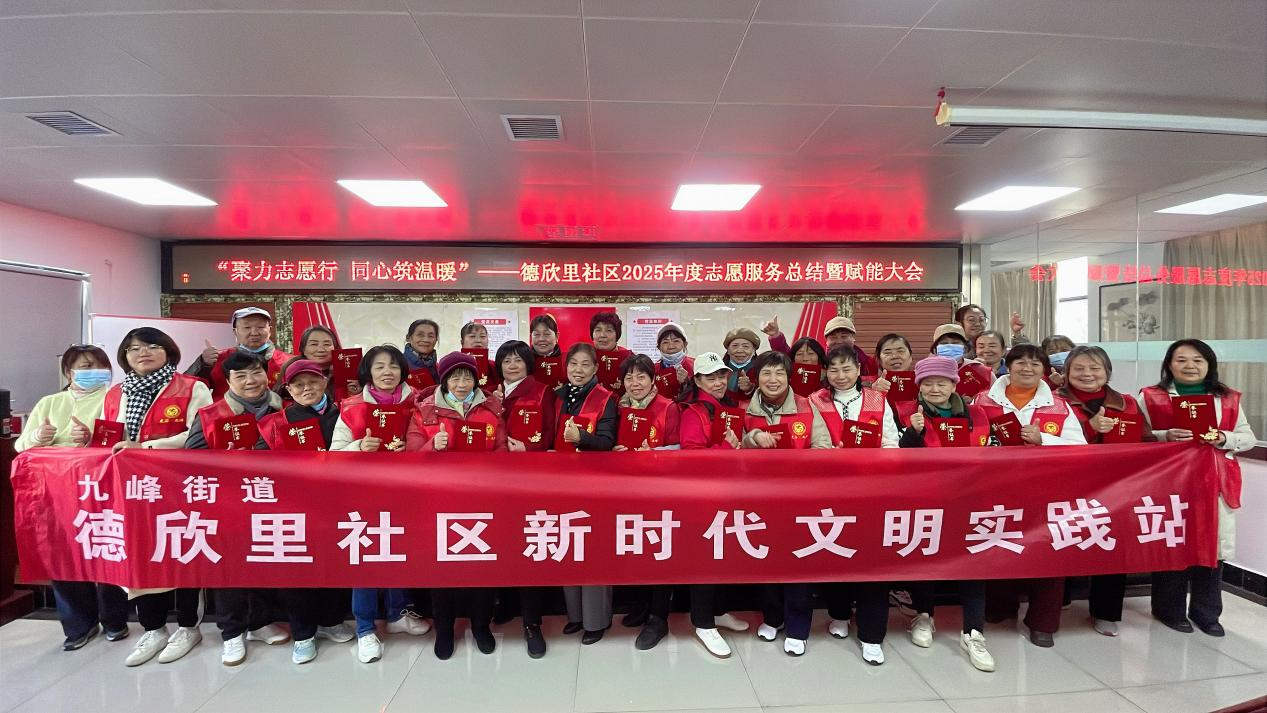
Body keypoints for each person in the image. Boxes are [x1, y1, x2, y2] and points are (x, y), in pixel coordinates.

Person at [102, 327, 212, 666]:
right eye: (133, 348)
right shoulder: (116, 393)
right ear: (125, 357)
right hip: (133, 490)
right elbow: (109, 436)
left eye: (151, 346)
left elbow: (200, 434)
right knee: (141, 553)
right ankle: (153, 629)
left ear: (168, 351)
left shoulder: (192, 387)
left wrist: (146, 447)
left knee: (185, 549)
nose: (143, 353)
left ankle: (188, 627)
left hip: (180, 486)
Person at [1137, 339, 1256, 637]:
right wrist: (1164, 435)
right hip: (1169, 484)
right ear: (1169, 365)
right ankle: (1169, 609)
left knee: (1213, 548)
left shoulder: (1227, 398)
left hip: (1214, 481)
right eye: (1181, 360)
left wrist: (1224, 438)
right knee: (1172, 544)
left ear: (1209, 365)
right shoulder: (1150, 397)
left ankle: (1207, 613)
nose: (1190, 366)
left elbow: (1247, 437)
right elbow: (1136, 434)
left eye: (1198, 360)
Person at [16, 345, 130, 652]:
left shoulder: (116, 398)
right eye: (85, 366)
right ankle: (79, 624)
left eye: (99, 365)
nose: (94, 371)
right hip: (56, 493)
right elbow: (21, 446)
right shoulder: (50, 402)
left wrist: (92, 439)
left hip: (101, 490)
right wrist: (37, 438)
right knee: (63, 554)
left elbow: (125, 440)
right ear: (69, 372)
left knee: (106, 548)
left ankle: (115, 620)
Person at [974, 344, 1086, 647]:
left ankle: (1042, 622)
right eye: (1020, 362)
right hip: (996, 491)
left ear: (1045, 371)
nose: (1027, 368)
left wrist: (1044, 439)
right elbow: (971, 440)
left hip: (1047, 492)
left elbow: (1080, 448)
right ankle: (1001, 608)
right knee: (998, 546)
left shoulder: (1059, 406)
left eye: (1035, 364)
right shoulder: (983, 400)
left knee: (1049, 554)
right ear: (1008, 366)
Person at [184, 352, 292, 666]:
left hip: (273, 500)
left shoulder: (283, 408)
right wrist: (224, 459)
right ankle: (231, 632)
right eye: (240, 376)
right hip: (228, 503)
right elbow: (191, 457)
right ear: (229, 381)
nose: (250, 381)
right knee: (229, 566)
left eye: (255, 373)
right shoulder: (211, 413)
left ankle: (259, 623)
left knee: (263, 559)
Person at [893, 356, 996, 672]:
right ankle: (924, 616)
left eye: (942, 383)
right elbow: (898, 461)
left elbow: (994, 453)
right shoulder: (907, 413)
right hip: (925, 501)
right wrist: (912, 433)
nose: (934, 389)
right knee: (927, 558)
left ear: (954, 385)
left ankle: (973, 632)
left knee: (972, 563)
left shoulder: (977, 414)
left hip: (970, 501)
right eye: (928, 383)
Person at [329, 345, 429, 663]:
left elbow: (428, 442)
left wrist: (410, 449)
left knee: (399, 551)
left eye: (394, 366)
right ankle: (364, 627)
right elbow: (333, 453)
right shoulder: (351, 407)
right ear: (368, 372)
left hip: (405, 493)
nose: (388, 372)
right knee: (366, 557)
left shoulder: (418, 402)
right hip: (363, 496)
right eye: (379, 366)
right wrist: (359, 446)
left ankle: (398, 613)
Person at [407, 352, 507, 660]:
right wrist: (431, 447)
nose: (462, 383)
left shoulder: (491, 408)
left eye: (467, 377)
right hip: (440, 502)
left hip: (481, 501)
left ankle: (481, 625)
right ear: (444, 380)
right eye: (455, 377)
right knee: (443, 569)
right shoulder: (424, 410)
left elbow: (501, 449)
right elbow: (410, 458)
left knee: (482, 567)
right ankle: (445, 629)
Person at [257, 359, 357, 664]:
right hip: (295, 506)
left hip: (339, 503)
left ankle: (331, 621)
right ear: (288, 389)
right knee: (298, 569)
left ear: (325, 382)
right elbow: (259, 464)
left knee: (336, 562)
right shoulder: (275, 422)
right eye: (298, 385)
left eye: (313, 382)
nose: (307, 389)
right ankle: (303, 633)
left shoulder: (346, 414)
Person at [807, 345, 897, 665]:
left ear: (859, 370)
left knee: (872, 561)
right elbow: (811, 445)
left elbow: (891, 444)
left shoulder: (877, 400)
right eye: (833, 369)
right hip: (829, 492)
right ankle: (840, 614)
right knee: (835, 552)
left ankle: (872, 634)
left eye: (847, 368)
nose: (840, 375)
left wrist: (870, 461)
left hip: (872, 492)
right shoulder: (815, 400)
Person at [1058, 346, 1156, 637]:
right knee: (1060, 541)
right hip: (1067, 486)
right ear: (1067, 373)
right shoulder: (1054, 401)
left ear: (1107, 372)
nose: (1087, 374)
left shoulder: (1127, 403)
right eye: (1079, 368)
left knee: (1113, 546)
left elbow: (1147, 441)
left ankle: (1106, 612)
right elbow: (1049, 440)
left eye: (1095, 368)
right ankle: (1058, 600)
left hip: (1116, 490)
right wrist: (1089, 428)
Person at [655, 352, 748, 654]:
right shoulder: (693, 411)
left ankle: (718, 611)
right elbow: (692, 459)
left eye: (721, 376)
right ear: (697, 380)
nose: (718, 382)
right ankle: (703, 622)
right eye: (711, 377)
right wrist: (727, 449)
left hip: (724, 494)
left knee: (722, 557)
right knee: (705, 559)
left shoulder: (726, 406)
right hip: (700, 500)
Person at [742, 350, 831, 656]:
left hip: (800, 499)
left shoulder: (807, 406)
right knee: (766, 560)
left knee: (798, 563)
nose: (773, 379)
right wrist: (752, 438)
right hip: (760, 500)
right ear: (757, 377)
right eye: (766, 373)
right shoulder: (744, 409)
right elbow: (732, 450)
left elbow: (823, 447)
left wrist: (798, 463)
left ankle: (797, 627)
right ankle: (773, 618)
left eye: (779, 373)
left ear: (789, 376)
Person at [492, 340, 557, 658]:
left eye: (518, 360)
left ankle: (532, 623)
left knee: (530, 547)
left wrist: (529, 450)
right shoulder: (489, 394)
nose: (512, 365)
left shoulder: (543, 392)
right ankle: (506, 604)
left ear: (529, 364)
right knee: (502, 544)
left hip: (531, 483)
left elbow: (551, 434)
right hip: (495, 484)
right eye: (506, 360)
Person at [553, 343, 618, 644]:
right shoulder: (557, 396)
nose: (578, 370)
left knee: (593, 550)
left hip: (595, 486)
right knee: (568, 544)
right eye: (573, 364)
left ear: (595, 368)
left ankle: (596, 620)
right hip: (561, 484)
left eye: (585, 364)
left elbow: (607, 442)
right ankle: (575, 615)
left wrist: (581, 437)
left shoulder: (606, 399)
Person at [188, 307, 293, 399]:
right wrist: (203, 365)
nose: (254, 333)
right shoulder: (217, 359)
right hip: (226, 415)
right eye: (247, 327)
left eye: (260, 327)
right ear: (235, 331)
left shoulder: (289, 362)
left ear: (269, 331)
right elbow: (187, 388)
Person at [930, 323, 995, 398]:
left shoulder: (982, 372)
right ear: (935, 350)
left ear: (965, 348)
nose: (950, 346)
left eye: (955, 343)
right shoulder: (926, 373)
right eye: (944, 343)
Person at [956, 304, 1029, 359]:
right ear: (959, 324)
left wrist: (1017, 333)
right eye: (971, 320)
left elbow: (1022, 356)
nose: (978, 324)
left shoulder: (994, 340)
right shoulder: (954, 346)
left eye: (982, 320)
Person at [591, 311, 633, 393]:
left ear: (617, 335)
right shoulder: (585, 355)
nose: (603, 335)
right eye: (598, 330)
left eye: (609, 330)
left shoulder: (629, 357)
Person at [653, 322, 693, 398]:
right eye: (665, 342)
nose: (671, 346)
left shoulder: (696, 365)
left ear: (685, 344)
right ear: (659, 347)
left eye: (676, 341)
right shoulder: (653, 369)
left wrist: (687, 382)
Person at [722, 327, 761, 402]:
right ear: (728, 350)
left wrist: (750, 388)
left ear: (754, 351)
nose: (740, 350)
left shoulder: (761, 370)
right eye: (735, 346)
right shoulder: (719, 370)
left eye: (746, 346)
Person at [530, 314, 565, 390]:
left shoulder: (567, 360)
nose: (541, 339)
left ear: (557, 336)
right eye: (536, 334)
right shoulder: (524, 361)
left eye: (547, 334)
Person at [404, 318, 441, 384]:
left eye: (431, 336)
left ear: (436, 340)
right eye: (420, 335)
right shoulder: (398, 364)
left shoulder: (440, 369)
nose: (426, 340)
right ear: (408, 337)